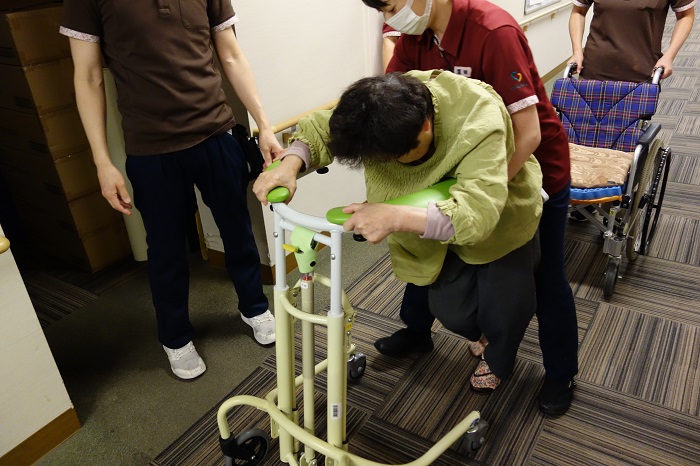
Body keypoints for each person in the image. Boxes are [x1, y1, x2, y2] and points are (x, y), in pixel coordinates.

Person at [254, 70, 543, 392]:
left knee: (504, 308)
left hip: (498, 221)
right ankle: (470, 333)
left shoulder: (478, 116)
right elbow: (322, 127)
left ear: (426, 126)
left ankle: (500, 358)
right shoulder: (381, 102)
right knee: (454, 313)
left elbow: (478, 213)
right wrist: (291, 162)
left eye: (395, 158)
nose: (386, 164)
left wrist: (394, 216)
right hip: (428, 218)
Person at [362, 0, 579, 415]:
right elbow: (387, 107)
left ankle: (561, 373)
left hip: (532, 172)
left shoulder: (494, 32)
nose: (391, 19)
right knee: (425, 246)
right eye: (383, 12)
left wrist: (481, 197)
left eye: (391, 6)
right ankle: (417, 330)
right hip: (462, 174)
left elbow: (529, 134)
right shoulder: (416, 37)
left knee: (546, 277)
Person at [59, 1, 282, 380]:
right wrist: (102, 161)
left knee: (238, 231)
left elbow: (231, 54)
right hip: (150, 149)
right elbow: (89, 76)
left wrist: (264, 125)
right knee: (165, 250)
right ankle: (175, 337)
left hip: (216, 133)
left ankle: (254, 307)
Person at [568, 0, 695, 82]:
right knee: (585, 116)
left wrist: (669, 56)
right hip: (595, 67)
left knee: (633, 117)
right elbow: (578, 12)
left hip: (641, 70)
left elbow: (685, 15)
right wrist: (577, 52)